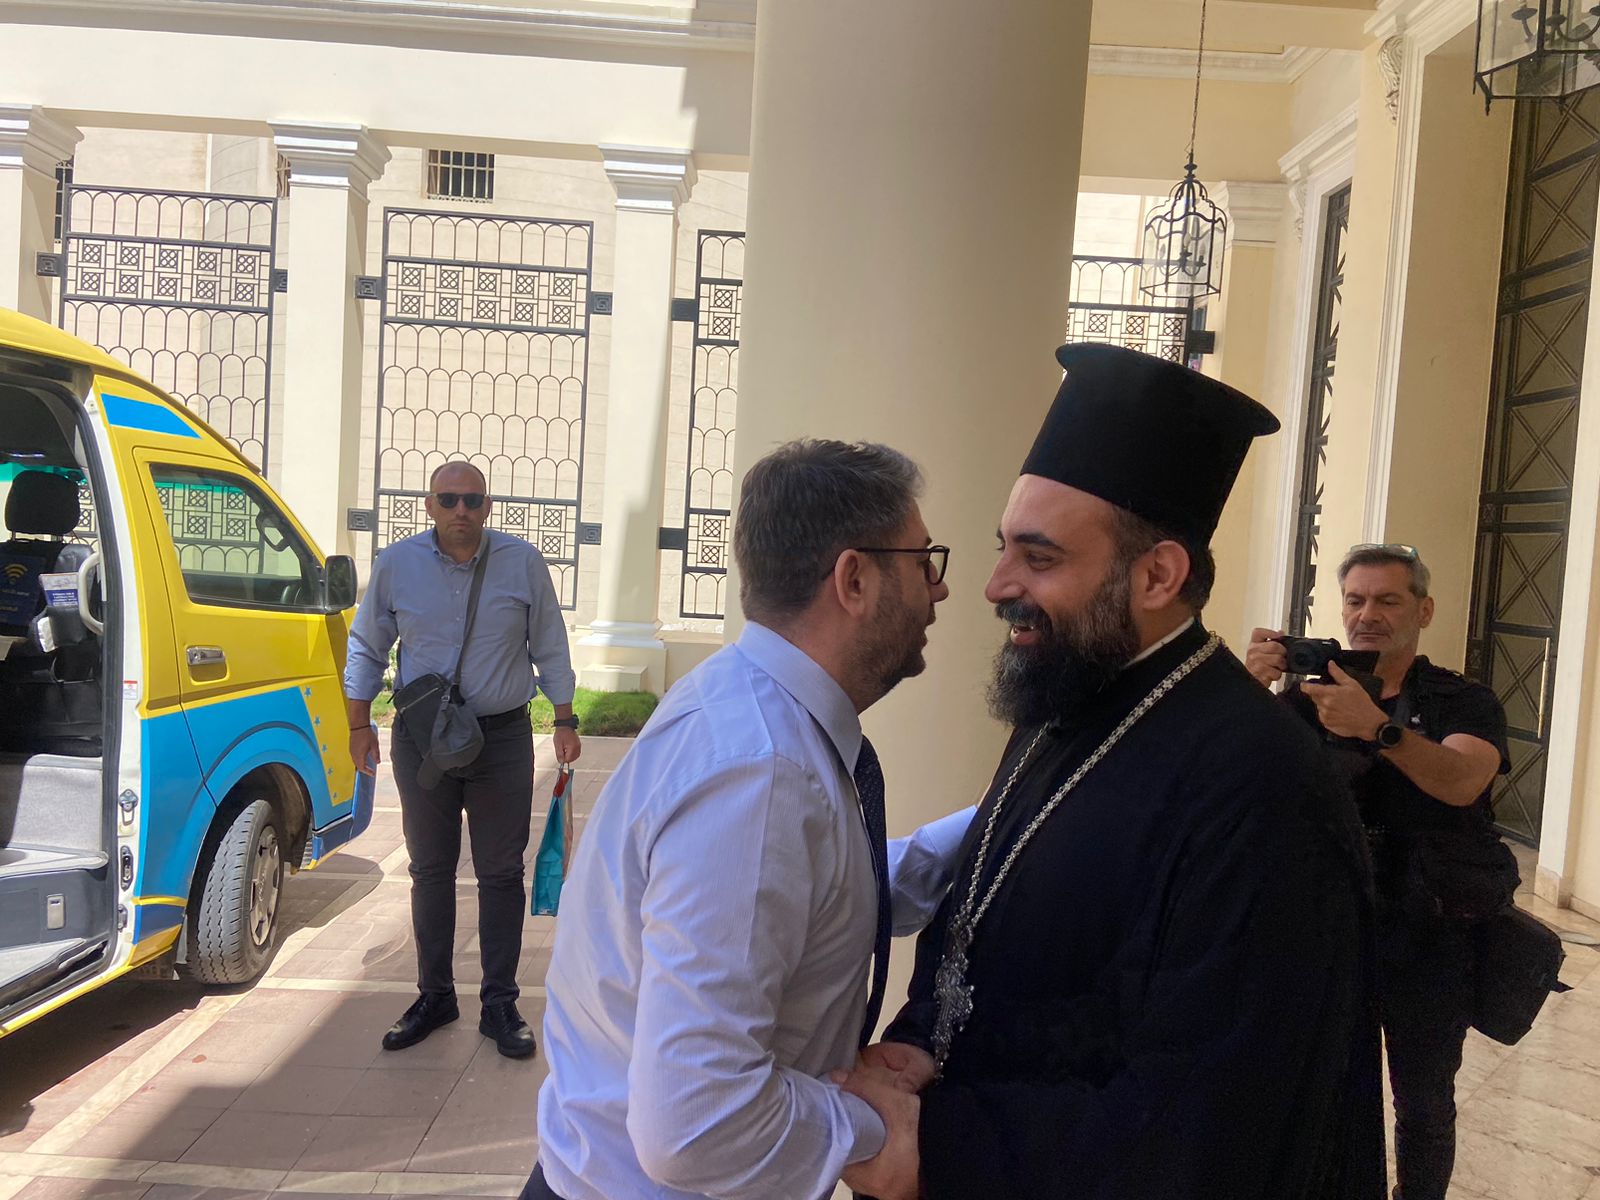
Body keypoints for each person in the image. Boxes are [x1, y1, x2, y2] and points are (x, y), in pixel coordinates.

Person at [844, 343, 1386, 1200]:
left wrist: (939, 1147)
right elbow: (981, 913)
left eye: (1039, 558)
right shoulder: (1067, 694)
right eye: (1002, 549)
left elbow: (1214, 1120)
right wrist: (921, 1039)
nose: (995, 586)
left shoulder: (1263, 788)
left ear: (1158, 575)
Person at [527, 439, 969, 1200]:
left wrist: (999, 818)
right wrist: (877, 1130)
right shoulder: (760, 774)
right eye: (924, 560)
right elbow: (697, 1122)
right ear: (854, 579)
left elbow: (825, 895)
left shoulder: (749, 710)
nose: (941, 589)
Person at [1247, 544, 1513, 1200]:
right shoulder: (1308, 698)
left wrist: (1377, 730)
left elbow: (1462, 780)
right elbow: (1238, 781)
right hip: (1327, 929)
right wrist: (1246, 693)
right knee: (1324, 1087)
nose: (1368, 615)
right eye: (1356, 600)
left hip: (1429, 931)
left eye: (1388, 600)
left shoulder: (1464, 700)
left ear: (1423, 610)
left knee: (1423, 1101)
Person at [345, 460, 580, 1059]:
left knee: (500, 872)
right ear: (429, 505)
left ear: (487, 507)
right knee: (430, 869)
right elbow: (367, 645)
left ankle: (500, 1002)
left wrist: (565, 718)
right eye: (448, 499)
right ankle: (435, 996)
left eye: (472, 501)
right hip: (423, 740)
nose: (461, 511)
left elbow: (550, 643)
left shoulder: (521, 563)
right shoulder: (397, 565)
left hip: (501, 740)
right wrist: (358, 724)